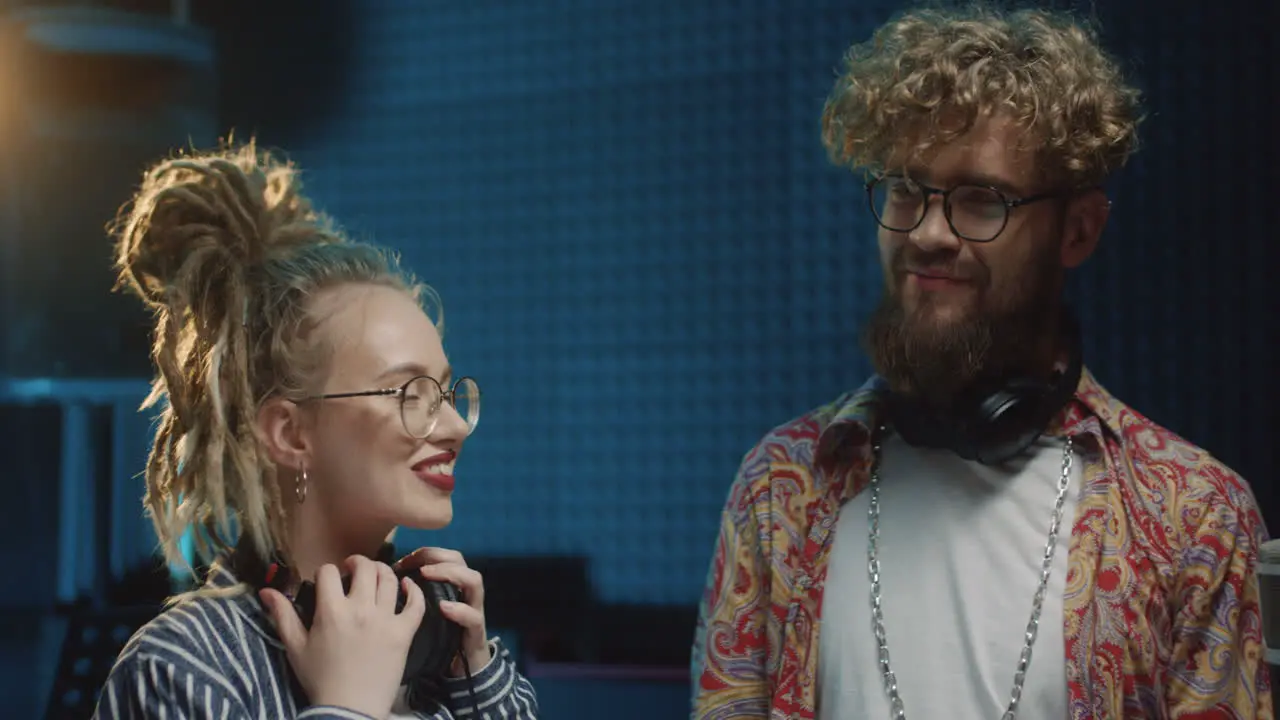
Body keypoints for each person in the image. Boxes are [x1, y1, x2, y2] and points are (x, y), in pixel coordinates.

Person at [691, 6, 1272, 720]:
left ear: (1078, 230)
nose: (929, 233)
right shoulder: (779, 489)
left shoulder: (1195, 518)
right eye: (906, 189)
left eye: (980, 200)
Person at [92, 142, 539, 719]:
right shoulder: (181, 667)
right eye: (410, 394)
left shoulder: (443, 652)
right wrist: (345, 708)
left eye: (448, 393)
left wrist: (478, 685)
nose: (454, 425)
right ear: (290, 433)